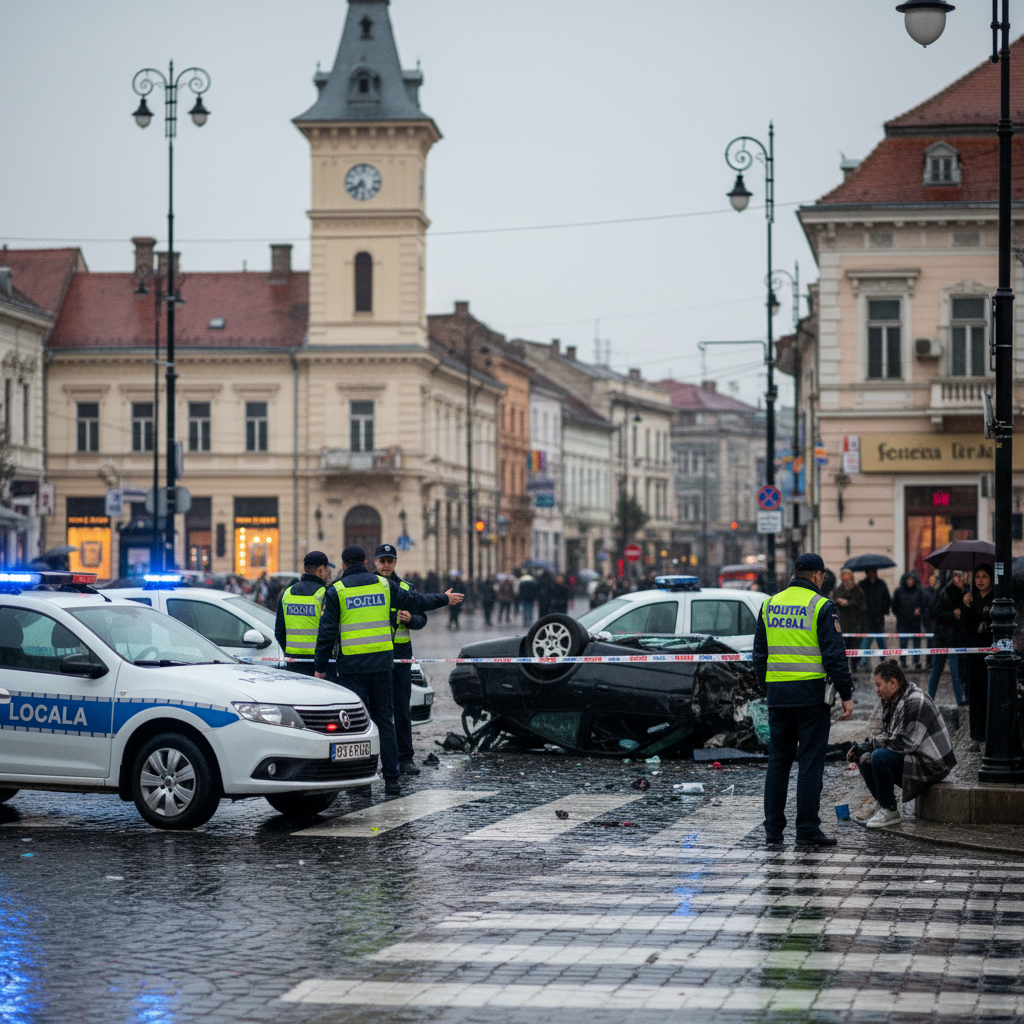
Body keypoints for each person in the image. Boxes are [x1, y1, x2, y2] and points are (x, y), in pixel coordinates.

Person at [315, 545, 463, 795]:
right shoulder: (383, 586)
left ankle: (361, 778)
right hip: (383, 665)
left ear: (343, 565)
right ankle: (392, 776)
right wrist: (444, 599)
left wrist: (320, 667)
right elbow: (417, 601)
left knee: (358, 724)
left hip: (352, 668)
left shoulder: (336, 590)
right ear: (366, 562)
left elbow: (327, 633)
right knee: (386, 720)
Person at [754, 552, 855, 847]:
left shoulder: (769, 605)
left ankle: (773, 829)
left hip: (779, 697)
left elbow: (759, 655)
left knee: (778, 763)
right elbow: (835, 656)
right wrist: (847, 695)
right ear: (817, 575)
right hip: (811, 698)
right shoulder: (822, 606)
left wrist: (768, 687)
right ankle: (807, 828)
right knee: (810, 763)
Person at [847, 659, 956, 828]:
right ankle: (882, 803)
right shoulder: (893, 698)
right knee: (864, 757)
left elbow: (905, 743)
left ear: (893, 683)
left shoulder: (914, 701)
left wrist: (871, 745)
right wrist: (864, 747)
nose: (876, 690)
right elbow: (887, 735)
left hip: (933, 765)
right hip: (915, 756)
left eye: (878, 685)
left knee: (878, 756)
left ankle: (889, 810)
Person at [373, 543, 426, 777]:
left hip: (400, 659)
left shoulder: (406, 587)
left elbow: (422, 617)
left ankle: (405, 758)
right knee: (374, 711)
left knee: (402, 710)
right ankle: (372, 758)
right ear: (375, 562)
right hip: (373, 657)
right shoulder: (367, 587)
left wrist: (411, 618)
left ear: (395, 563)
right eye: (382, 561)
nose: (386, 565)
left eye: (390, 561)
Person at [274, 551, 335, 677]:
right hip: (320, 664)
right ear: (320, 570)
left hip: (293, 662)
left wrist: (289, 652)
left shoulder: (288, 593)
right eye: (327, 569)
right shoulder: (324, 594)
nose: (329, 572)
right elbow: (329, 632)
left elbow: (279, 631)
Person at [927, 570, 968, 706]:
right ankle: (929, 699)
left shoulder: (968, 592)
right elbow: (934, 612)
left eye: (961, 575)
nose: (958, 578)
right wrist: (952, 614)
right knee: (936, 671)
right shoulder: (944, 592)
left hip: (958, 638)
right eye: (956, 575)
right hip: (943, 638)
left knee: (957, 673)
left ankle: (961, 701)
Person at [964, 563, 995, 742]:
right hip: (973, 654)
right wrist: (967, 607)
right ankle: (976, 732)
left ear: (991, 578)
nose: (980, 580)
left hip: (989, 653)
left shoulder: (995, 598)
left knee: (986, 692)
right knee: (974, 694)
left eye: (984, 576)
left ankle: (988, 730)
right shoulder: (971, 598)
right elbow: (967, 627)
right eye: (977, 577)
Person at [831, 569, 865, 676]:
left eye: (849, 579)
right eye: (845, 579)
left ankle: (854, 667)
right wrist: (838, 602)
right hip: (842, 624)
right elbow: (832, 603)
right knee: (843, 648)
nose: (847, 581)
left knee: (855, 647)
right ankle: (844, 668)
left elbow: (863, 606)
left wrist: (849, 603)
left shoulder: (858, 590)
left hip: (855, 624)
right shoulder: (837, 590)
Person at [858, 567, 892, 671]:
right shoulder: (862, 585)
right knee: (866, 640)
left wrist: (884, 609)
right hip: (866, 618)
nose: (872, 574)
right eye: (870, 572)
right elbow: (860, 600)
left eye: (874, 572)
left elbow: (887, 599)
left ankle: (883, 660)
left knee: (881, 640)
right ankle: (863, 661)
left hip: (878, 617)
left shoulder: (881, 584)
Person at [892, 572, 924, 671]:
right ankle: (903, 661)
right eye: (908, 580)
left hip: (915, 622)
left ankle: (917, 661)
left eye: (912, 580)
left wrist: (919, 610)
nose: (910, 582)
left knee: (916, 643)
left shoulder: (919, 591)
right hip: (903, 622)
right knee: (903, 643)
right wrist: (901, 614)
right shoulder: (899, 591)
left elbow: (923, 604)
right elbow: (894, 606)